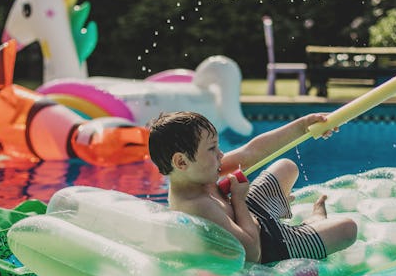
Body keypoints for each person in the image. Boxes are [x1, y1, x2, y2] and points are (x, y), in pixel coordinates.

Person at [148, 111, 357, 264]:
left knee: (287, 167)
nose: (221, 155)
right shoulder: (196, 205)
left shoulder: (197, 173)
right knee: (348, 228)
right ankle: (313, 223)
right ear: (181, 162)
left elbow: (252, 152)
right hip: (273, 246)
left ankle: (284, 212)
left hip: (252, 215)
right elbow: (251, 252)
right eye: (212, 149)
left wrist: (302, 126)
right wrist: (238, 200)